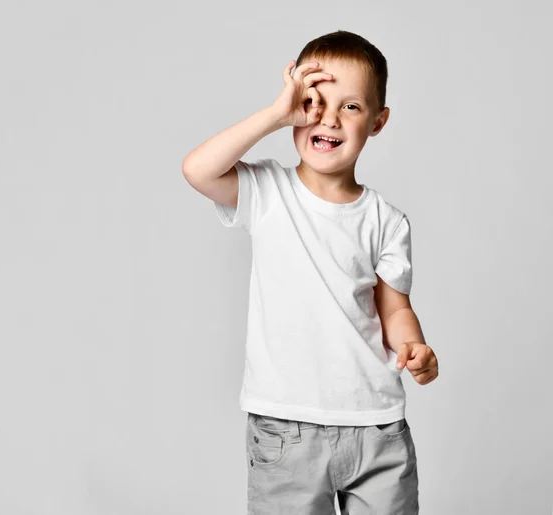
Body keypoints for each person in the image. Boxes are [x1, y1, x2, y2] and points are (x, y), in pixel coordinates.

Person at [182, 30, 439, 515]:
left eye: (351, 107)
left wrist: (414, 345)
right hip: (287, 427)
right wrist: (277, 115)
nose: (328, 117)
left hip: (376, 426)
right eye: (313, 101)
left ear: (378, 122)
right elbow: (198, 169)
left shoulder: (386, 220)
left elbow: (394, 307)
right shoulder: (267, 192)